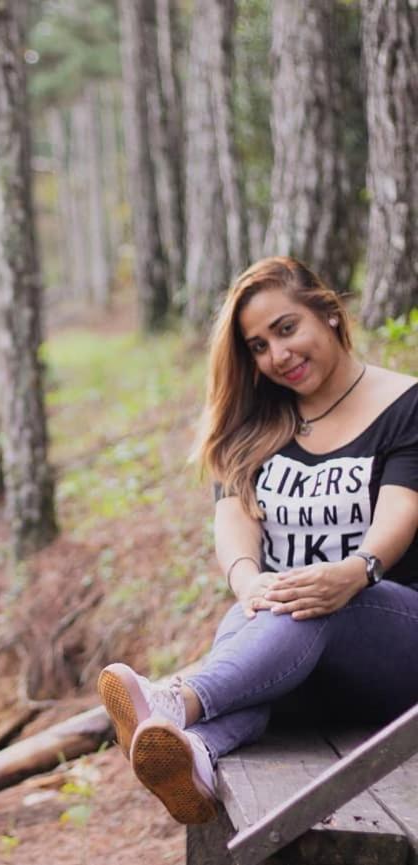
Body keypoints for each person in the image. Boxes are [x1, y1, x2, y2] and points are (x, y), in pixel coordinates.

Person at [97, 256, 418, 824]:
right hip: (287, 644)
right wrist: (249, 583)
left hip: (393, 640)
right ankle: (194, 755)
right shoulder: (257, 422)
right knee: (271, 614)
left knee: (314, 601)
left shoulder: (405, 406)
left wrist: (355, 571)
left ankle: (179, 698)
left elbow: (402, 510)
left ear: (330, 315)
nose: (278, 355)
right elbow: (235, 521)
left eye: (287, 329)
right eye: (258, 346)